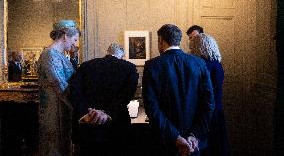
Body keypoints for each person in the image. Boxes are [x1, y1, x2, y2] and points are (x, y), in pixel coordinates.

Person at [142, 24, 215, 156]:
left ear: (161, 41)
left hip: (164, 141)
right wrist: (195, 134)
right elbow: (209, 104)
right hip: (193, 143)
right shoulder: (199, 63)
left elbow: (152, 107)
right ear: (179, 40)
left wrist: (175, 137)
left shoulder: (152, 66)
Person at [70, 43, 139, 156]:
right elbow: (126, 95)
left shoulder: (85, 65)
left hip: (88, 126)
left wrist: (85, 113)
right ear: (122, 56)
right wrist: (107, 114)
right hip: (116, 127)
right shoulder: (129, 67)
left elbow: (75, 91)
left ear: (107, 52)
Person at [37, 19, 81, 156]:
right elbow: (59, 84)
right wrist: (79, 105)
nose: (75, 44)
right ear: (65, 36)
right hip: (54, 107)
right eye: (74, 40)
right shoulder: (49, 54)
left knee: (63, 144)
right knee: (54, 145)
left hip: (62, 105)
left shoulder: (59, 55)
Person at [190, 33, 229, 156]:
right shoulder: (217, 64)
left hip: (206, 112)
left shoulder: (204, 66)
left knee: (207, 148)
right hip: (216, 110)